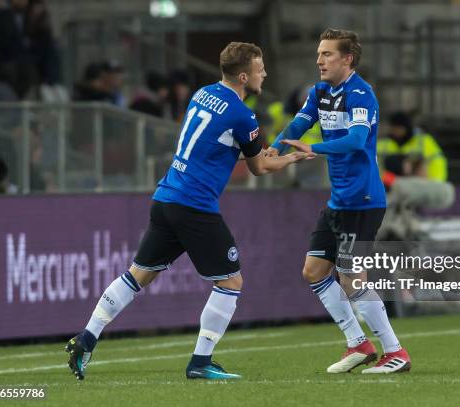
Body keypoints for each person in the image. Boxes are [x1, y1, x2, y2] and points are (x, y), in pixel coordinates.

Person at [65, 42, 314, 381]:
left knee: (139, 274)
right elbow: (259, 168)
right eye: (260, 69)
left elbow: (214, 148)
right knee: (231, 281)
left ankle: (87, 338)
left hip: (166, 198)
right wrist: (293, 157)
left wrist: (256, 151)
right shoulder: (242, 114)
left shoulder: (202, 94)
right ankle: (201, 362)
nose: (265, 73)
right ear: (244, 76)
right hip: (194, 205)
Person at [268, 28, 410, 375]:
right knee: (314, 271)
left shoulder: (361, 94)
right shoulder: (319, 92)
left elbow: (358, 140)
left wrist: (313, 148)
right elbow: (300, 123)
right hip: (340, 201)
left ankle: (396, 352)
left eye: (327, 54)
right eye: (318, 53)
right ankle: (358, 344)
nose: (319, 60)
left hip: (363, 200)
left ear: (347, 59)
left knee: (352, 279)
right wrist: (274, 147)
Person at [377, 112, 447, 182]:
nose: (396, 131)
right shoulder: (383, 143)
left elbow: (437, 161)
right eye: (394, 128)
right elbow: (375, 168)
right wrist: (391, 181)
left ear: (407, 127)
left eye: (399, 128)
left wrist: (434, 184)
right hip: (390, 188)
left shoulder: (424, 141)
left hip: (420, 185)